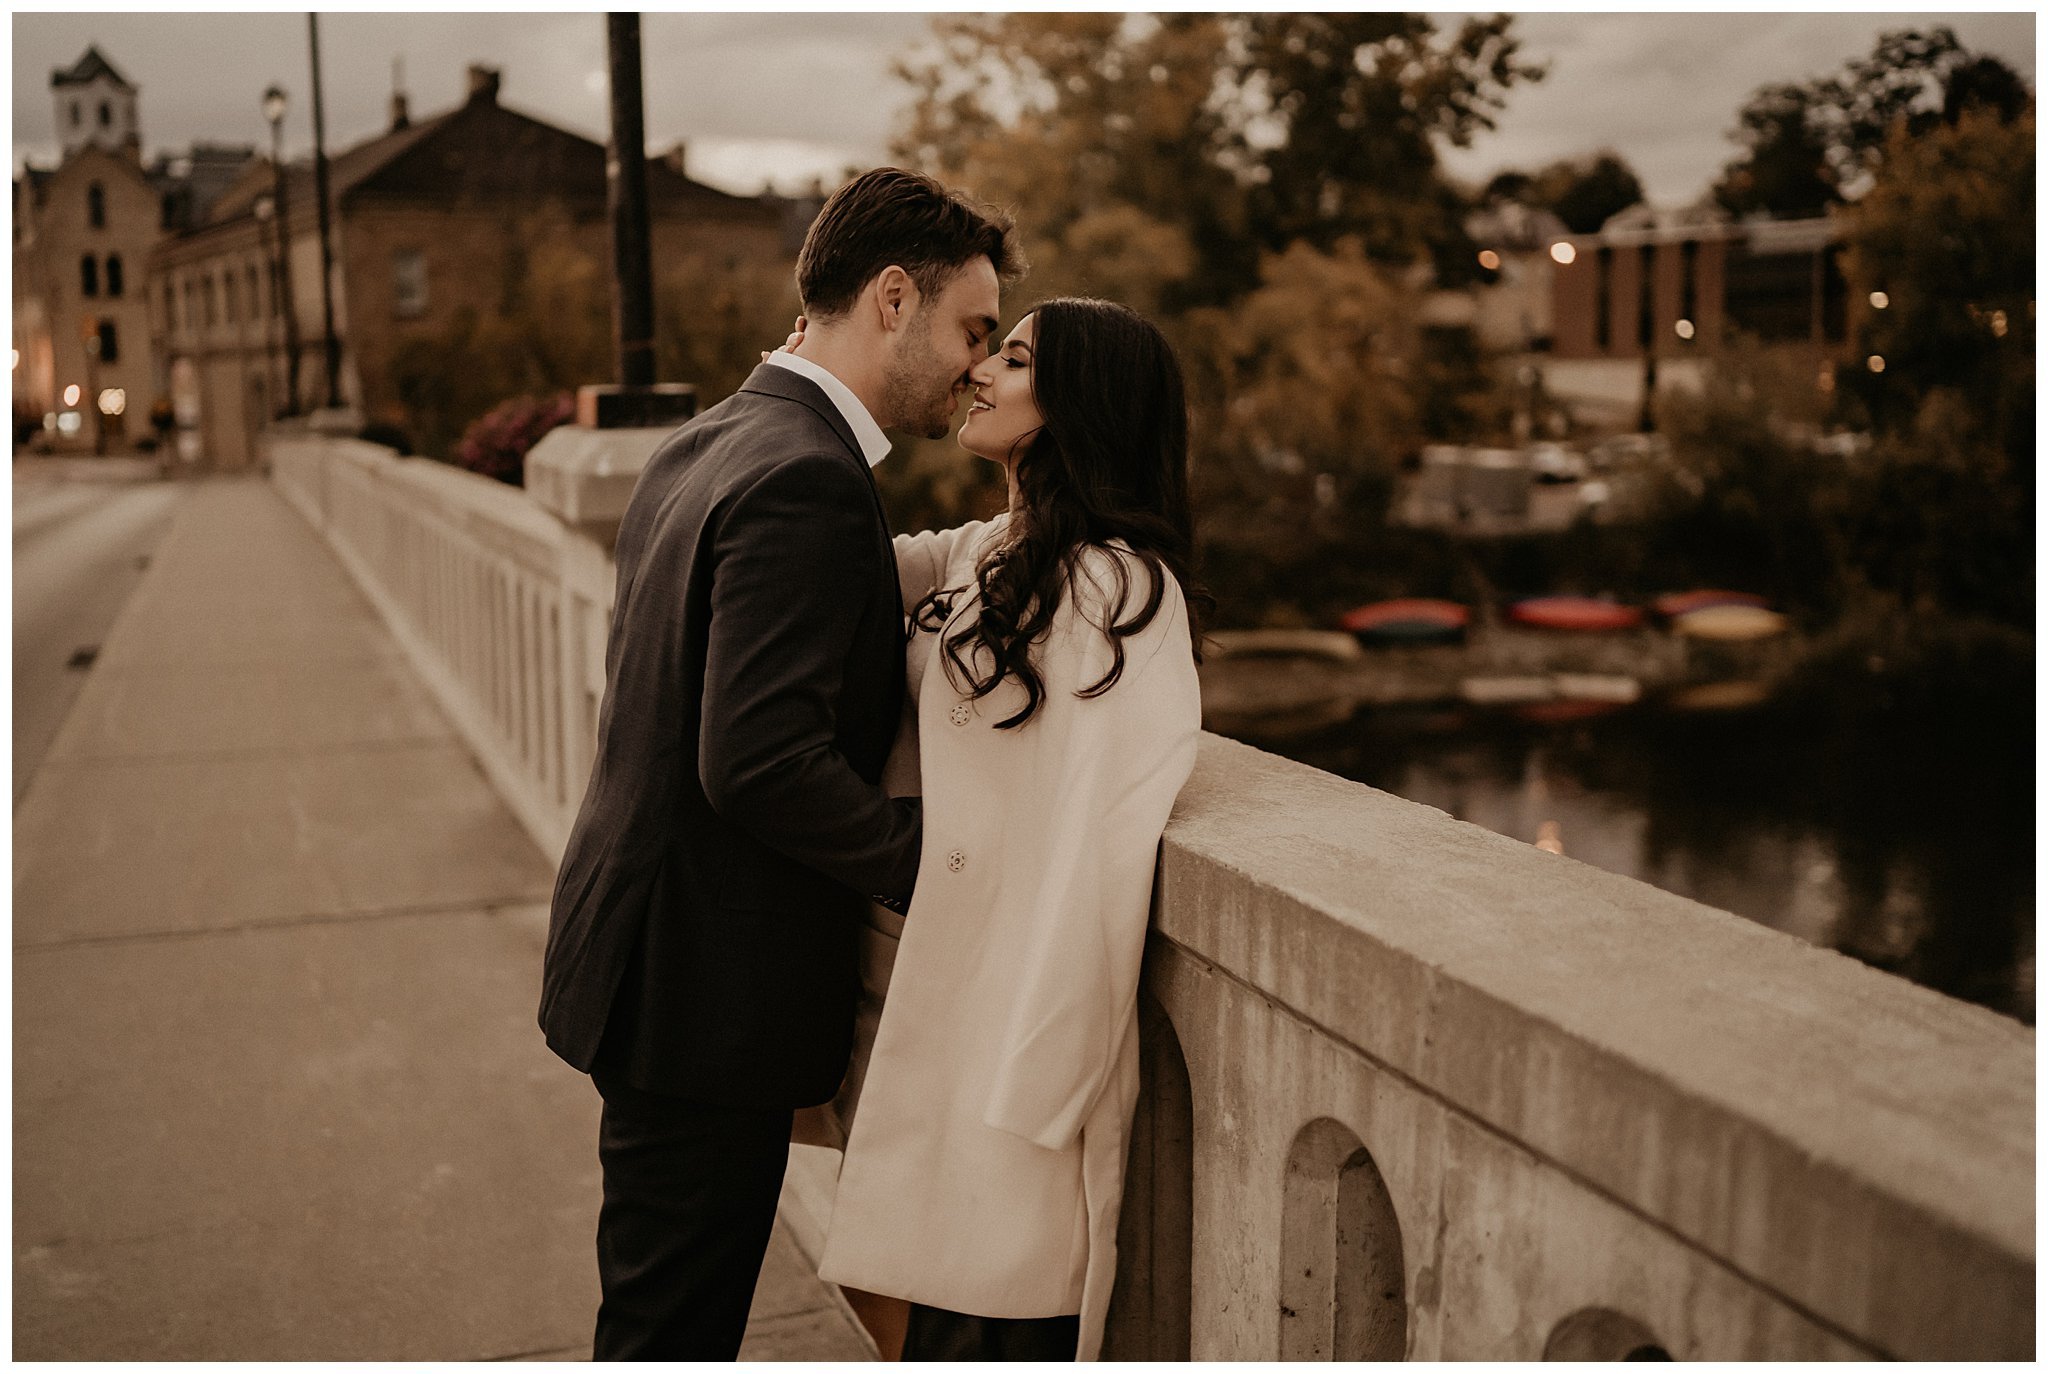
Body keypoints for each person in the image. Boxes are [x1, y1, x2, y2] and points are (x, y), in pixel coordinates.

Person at [537, 167, 1023, 1361]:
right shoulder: (806, 477)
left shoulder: (707, 438)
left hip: (652, 967)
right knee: (667, 1333)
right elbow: (753, 759)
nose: (976, 363)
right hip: (702, 998)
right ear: (892, 297)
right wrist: (945, 866)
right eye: (971, 329)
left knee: (658, 1317)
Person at [812, 297, 1206, 1361]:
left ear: (1075, 403)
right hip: (911, 1003)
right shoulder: (986, 547)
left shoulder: (1123, 591)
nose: (979, 369)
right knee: (903, 1315)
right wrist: (809, 367)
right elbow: (822, 556)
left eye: (1012, 356)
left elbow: (1101, 845)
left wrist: (1037, 1081)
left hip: (1009, 1049)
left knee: (985, 1329)